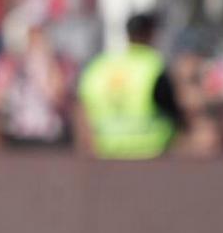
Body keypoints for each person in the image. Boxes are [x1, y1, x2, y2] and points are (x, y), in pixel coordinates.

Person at [75, 12, 182, 159]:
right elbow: (173, 111)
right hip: (150, 154)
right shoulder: (153, 65)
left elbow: (81, 109)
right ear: (150, 34)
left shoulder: (100, 66)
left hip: (107, 156)